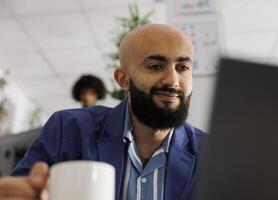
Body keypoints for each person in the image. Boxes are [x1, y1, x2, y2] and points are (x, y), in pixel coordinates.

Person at [0, 24, 208, 200]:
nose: (173, 80)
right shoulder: (67, 129)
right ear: (123, 80)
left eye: (182, 67)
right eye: (155, 66)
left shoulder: (209, 153)